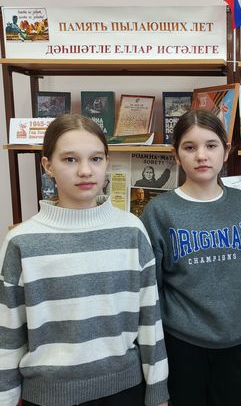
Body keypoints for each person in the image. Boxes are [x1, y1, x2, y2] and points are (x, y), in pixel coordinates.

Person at [0, 114, 169, 406]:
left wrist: (158, 392)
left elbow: (149, 319)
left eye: (96, 159)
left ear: (106, 162)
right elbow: (8, 335)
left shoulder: (132, 231)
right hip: (48, 396)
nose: (85, 171)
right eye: (70, 159)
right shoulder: (21, 241)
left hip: (124, 391)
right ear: (47, 165)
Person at [140, 109, 241, 406]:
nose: (201, 155)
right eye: (189, 147)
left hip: (238, 345)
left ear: (225, 151)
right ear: (176, 156)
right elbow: (151, 292)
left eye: (211, 145)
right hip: (181, 346)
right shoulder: (159, 212)